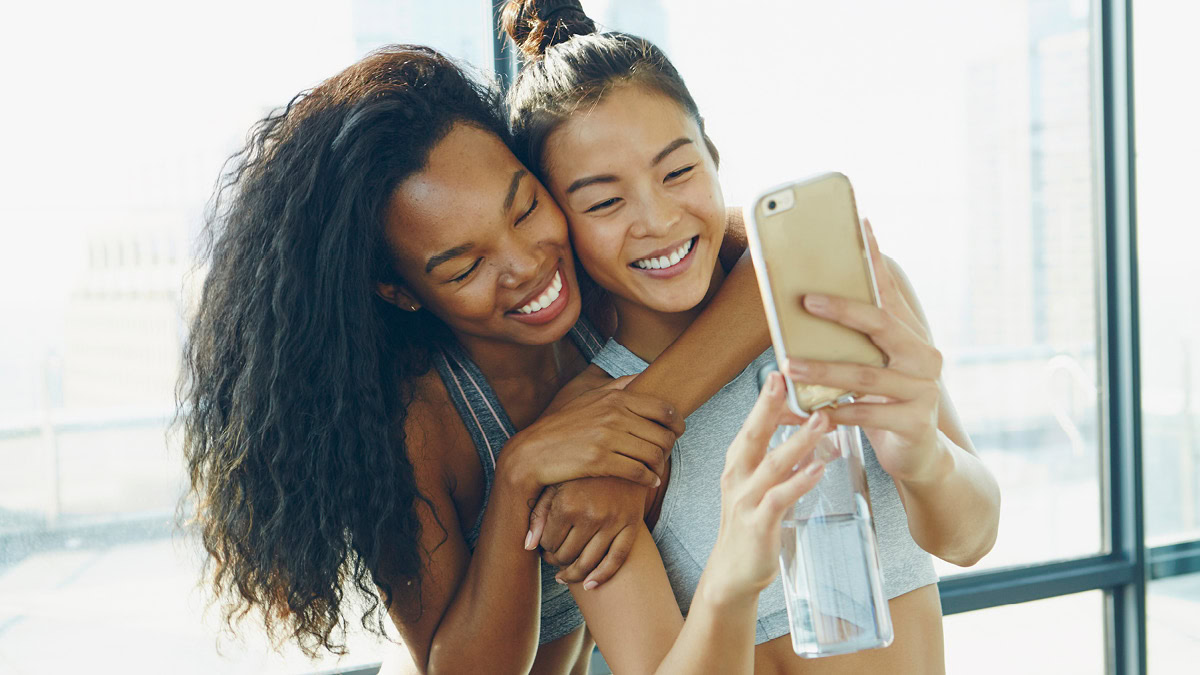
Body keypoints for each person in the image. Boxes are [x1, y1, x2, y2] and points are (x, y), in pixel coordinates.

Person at [180, 44, 794, 675]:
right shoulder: (413, 422)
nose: (527, 266)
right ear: (399, 291)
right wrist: (519, 474)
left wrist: (633, 418)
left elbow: (794, 244)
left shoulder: (602, 275)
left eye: (525, 209)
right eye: (465, 267)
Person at [501, 1, 1002, 672]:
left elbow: (972, 538)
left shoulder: (849, 297)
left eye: (678, 171)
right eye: (604, 202)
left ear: (713, 156)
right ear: (560, 221)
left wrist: (923, 458)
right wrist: (733, 571)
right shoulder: (587, 439)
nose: (658, 219)